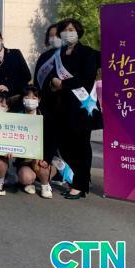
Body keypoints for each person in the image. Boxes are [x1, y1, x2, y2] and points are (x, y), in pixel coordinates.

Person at [45, 18, 98, 200]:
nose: (68, 33)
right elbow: (51, 75)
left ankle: (80, 185)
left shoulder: (87, 53)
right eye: (65, 30)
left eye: (71, 29)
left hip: (81, 108)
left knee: (80, 147)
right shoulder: (59, 54)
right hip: (61, 108)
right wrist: (53, 83)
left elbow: (86, 79)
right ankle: (75, 179)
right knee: (65, 146)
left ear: (78, 31)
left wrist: (62, 84)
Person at [14, 86, 54, 199]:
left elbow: (52, 141)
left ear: (39, 100)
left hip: (41, 157)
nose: (30, 100)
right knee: (25, 177)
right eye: (27, 97)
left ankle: (45, 185)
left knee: (41, 167)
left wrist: (47, 159)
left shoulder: (46, 117)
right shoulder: (16, 116)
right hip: (24, 159)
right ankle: (29, 182)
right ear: (22, 99)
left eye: (34, 97)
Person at [0, 28, 31, 109]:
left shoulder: (15, 54)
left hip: (16, 99)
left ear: (1, 40)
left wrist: (9, 87)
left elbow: (27, 76)